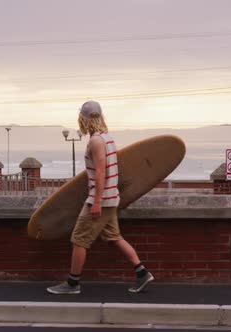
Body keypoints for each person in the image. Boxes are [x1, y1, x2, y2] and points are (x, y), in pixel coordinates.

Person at [47, 101, 154, 294]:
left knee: (79, 239)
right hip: (111, 196)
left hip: (102, 199)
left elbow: (100, 172)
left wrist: (96, 202)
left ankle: (72, 284)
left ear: (83, 119)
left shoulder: (96, 141)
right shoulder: (108, 138)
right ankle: (142, 273)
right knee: (113, 237)